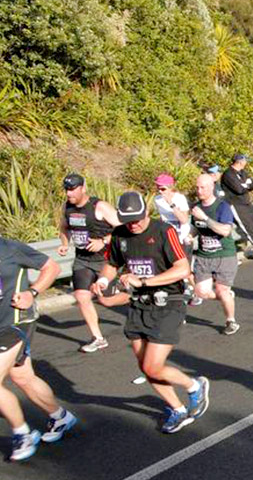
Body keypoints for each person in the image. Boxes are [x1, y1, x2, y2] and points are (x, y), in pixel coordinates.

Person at [91, 192, 210, 434]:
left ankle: (194, 386)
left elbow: (182, 268)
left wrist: (145, 281)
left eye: (137, 218)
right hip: (138, 305)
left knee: (154, 366)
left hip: (169, 302)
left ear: (146, 212)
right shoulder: (120, 234)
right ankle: (177, 409)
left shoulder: (164, 231)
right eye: (128, 220)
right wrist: (103, 281)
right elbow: (112, 264)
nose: (133, 224)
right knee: (144, 366)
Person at [0, 237, 77, 461]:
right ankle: (60, 417)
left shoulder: (9, 248)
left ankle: (22, 434)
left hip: (15, 321)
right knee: (23, 377)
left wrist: (31, 293)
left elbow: (50, 267)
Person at [57, 173, 121, 353]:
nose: (69, 194)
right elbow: (64, 227)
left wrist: (104, 241)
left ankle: (133, 297)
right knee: (82, 296)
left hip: (105, 260)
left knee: (106, 300)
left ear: (83, 188)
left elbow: (123, 227)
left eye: (72, 189)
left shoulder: (99, 206)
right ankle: (98, 338)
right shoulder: (67, 207)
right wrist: (64, 244)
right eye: (67, 189)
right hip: (82, 260)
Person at [191, 174, 241, 335]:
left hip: (224, 255)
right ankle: (226, 296)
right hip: (204, 256)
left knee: (221, 290)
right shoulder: (196, 208)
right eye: (197, 187)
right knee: (201, 292)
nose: (199, 191)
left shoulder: (222, 206)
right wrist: (189, 236)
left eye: (203, 187)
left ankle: (231, 321)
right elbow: (195, 227)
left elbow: (225, 231)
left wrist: (205, 218)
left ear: (212, 187)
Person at [153, 173, 195, 299]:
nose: (160, 191)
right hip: (168, 237)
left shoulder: (180, 198)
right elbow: (162, 219)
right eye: (158, 188)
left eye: (163, 188)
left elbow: (183, 219)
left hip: (183, 236)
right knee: (172, 267)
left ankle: (195, 291)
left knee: (185, 269)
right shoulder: (157, 199)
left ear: (171, 187)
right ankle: (179, 293)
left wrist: (171, 204)